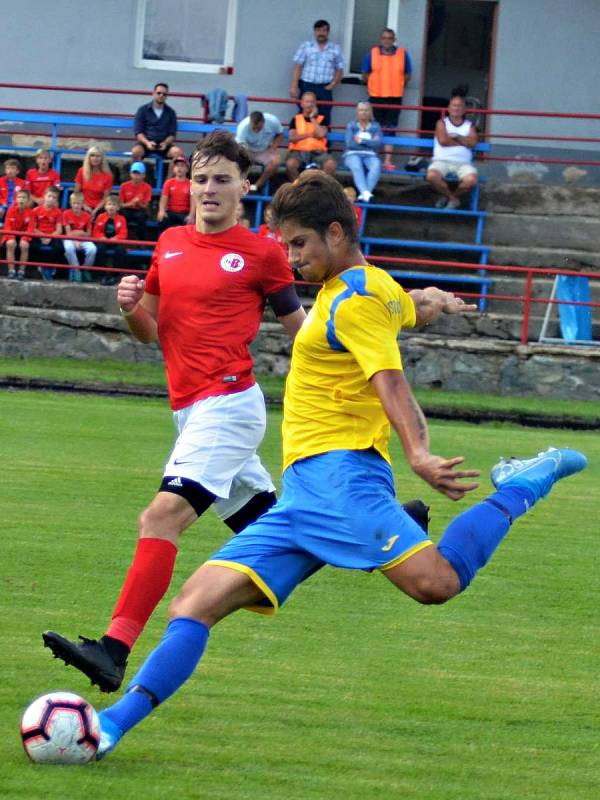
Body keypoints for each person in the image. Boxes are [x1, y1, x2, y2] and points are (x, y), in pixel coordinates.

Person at [74, 171, 586, 760]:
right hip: (300, 495)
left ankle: (521, 485)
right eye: (285, 244)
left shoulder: (357, 299)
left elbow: (388, 380)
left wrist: (417, 452)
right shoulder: (368, 290)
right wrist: (438, 301)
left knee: (437, 584)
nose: (290, 258)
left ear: (336, 232)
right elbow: (409, 307)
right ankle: (109, 727)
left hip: (345, 479)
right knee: (194, 603)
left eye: (299, 244)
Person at [42, 131, 308, 693]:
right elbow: (152, 332)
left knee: (161, 518)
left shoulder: (261, 253)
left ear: (245, 186)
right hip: (190, 411)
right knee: (280, 530)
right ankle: (394, 530)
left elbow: (301, 333)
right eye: (200, 179)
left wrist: (356, 360)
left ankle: (113, 649)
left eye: (221, 180)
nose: (208, 189)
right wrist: (130, 308)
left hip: (228, 404)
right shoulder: (168, 242)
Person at [362, 28, 412, 172]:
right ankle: (373, 159)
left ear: (394, 39)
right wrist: (372, 85)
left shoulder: (403, 54)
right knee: (373, 129)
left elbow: (408, 74)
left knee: (390, 129)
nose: (387, 41)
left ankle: (387, 161)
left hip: (394, 97)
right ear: (380, 39)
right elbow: (365, 73)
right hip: (376, 96)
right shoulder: (371, 54)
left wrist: (399, 84)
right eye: (384, 38)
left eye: (390, 38)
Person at [426, 92, 478, 209]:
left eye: (459, 106)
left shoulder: (470, 126)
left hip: (463, 163)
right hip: (441, 161)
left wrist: (456, 136)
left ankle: (449, 197)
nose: (456, 108)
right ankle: (453, 199)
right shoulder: (441, 123)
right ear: (449, 108)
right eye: (454, 105)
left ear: (464, 109)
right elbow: (443, 141)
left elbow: (473, 143)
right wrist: (463, 142)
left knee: (471, 180)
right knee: (431, 176)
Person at [289, 19, 344, 127]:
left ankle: (325, 143)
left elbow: (340, 68)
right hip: (307, 86)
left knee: (325, 115)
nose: (321, 33)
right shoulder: (306, 46)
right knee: (304, 113)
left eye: (324, 30)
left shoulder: (335, 49)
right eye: (318, 30)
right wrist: (294, 86)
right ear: (314, 32)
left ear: (328, 32)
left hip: (324, 88)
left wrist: (332, 85)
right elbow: (298, 66)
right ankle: (302, 140)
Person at [286, 92, 337, 181]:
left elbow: (321, 134)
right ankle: (299, 187)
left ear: (315, 104)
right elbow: (292, 138)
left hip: (318, 152)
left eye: (312, 102)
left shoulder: (322, 119)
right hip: (298, 151)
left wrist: (313, 118)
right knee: (291, 164)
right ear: (302, 104)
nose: (309, 104)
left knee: (331, 165)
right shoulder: (295, 119)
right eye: (307, 102)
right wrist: (310, 135)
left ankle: (319, 187)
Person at [343, 101, 383, 202]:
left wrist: (361, 141)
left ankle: (364, 193)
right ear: (357, 112)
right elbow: (349, 144)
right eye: (361, 110)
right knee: (356, 166)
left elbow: (377, 143)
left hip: (370, 155)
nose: (363, 112)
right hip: (352, 154)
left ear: (370, 112)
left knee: (376, 165)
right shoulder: (351, 126)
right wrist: (369, 142)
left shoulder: (376, 126)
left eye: (366, 110)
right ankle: (366, 193)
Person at [235, 110, 283, 193]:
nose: (256, 130)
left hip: (265, 149)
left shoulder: (273, 121)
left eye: (259, 128)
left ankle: (256, 186)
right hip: (247, 149)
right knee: (238, 162)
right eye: (254, 128)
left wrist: (273, 147)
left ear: (263, 122)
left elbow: (280, 134)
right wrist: (246, 158)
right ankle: (240, 186)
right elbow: (240, 147)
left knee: (276, 162)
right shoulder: (243, 127)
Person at [132, 83, 178, 161]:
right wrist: (147, 142)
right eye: (159, 93)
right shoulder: (142, 110)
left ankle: (170, 174)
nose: (161, 95)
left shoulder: (171, 112)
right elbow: (138, 132)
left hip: (164, 145)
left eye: (164, 94)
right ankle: (139, 173)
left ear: (167, 96)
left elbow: (172, 134)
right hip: (145, 144)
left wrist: (165, 143)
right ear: (153, 93)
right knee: (136, 151)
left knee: (177, 153)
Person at [92, 194, 128, 285]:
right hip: (103, 240)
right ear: (105, 206)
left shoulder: (122, 219)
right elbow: (96, 231)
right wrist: (102, 237)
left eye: (114, 205)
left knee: (120, 250)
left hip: (116, 241)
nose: (111, 207)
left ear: (118, 208)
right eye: (109, 204)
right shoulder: (100, 217)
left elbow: (124, 233)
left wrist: (115, 238)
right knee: (100, 248)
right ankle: (102, 274)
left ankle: (116, 275)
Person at [28, 186, 63, 281]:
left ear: (56, 200)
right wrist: (42, 236)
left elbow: (59, 230)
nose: (51, 199)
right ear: (44, 196)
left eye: (54, 197)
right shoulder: (36, 210)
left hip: (52, 235)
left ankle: (51, 266)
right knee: (31, 245)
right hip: (39, 235)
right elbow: (33, 227)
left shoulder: (58, 212)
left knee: (60, 247)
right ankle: (40, 265)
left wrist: (50, 237)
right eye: (49, 196)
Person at [62, 191, 97, 282]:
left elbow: (89, 234)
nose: (76, 206)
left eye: (78, 203)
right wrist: (80, 233)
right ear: (70, 203)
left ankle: (85, 269)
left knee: (92, 249)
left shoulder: (87, 216)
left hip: (84, 239)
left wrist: (78, 235)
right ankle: (76, 269)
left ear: (82, 204)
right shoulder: (66, 214)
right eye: (74, 203)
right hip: (70, 239)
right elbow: (68, 233)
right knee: (68, 247)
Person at [74, 147, 114, 218]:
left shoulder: (108, 176)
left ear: (102, 158)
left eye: (98, 156)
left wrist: (95, 210)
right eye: (92, 155)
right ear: (88, 158)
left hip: (99, 207)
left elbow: (105, 198)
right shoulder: (81, 171)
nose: (95, 158)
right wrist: (84, 206)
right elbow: (76, 193)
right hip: (82, 205)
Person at [2, 188, 32, 279]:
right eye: (19, 197)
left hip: (24, 234)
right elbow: (7, 226)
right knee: (10, 243)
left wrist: (25, 238)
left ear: (28, 200)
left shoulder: (31, 212)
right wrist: (11, 237)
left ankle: (21, 271)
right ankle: (11, 270)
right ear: (16, 199)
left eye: (24, 198)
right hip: (12, 233)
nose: (21, 199)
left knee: (24, 245)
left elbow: (30, 228)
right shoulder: (10, 210)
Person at [119, 162, 153, 243]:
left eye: (139, 174)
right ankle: (122, 239)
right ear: (130, 174)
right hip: (127, 209)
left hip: (140, 210)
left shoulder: (147, 188)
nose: (136, 176)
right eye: (134, 173)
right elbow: (120, 205)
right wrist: (131, 203)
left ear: (143, 175)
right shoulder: (124, 186)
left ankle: (141, 242)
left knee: (141, 217)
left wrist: (139, 204)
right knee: (122, 215)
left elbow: (146, 206)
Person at [157, 155, 192, 232]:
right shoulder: (169, 183)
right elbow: (164, 198)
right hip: (171, 212)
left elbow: (194, 201)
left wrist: (191, 215)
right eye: (177, 166)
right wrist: (162, 211)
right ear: (174, 169)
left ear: (187, 169)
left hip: (184, 213)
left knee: (190, 222)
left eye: (182, 166)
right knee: (162, 219)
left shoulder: (191, 184)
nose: (179, 168)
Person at [0, 158, 27, 224]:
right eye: (8, 168)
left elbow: (24, 196)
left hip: (16, 205)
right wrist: (3, 203)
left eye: (12, 168)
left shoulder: (22, 183)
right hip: (2, 205)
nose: (10, 171)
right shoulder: (0, 181)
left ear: (17, 171)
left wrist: (14, 205)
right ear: (5, 170)